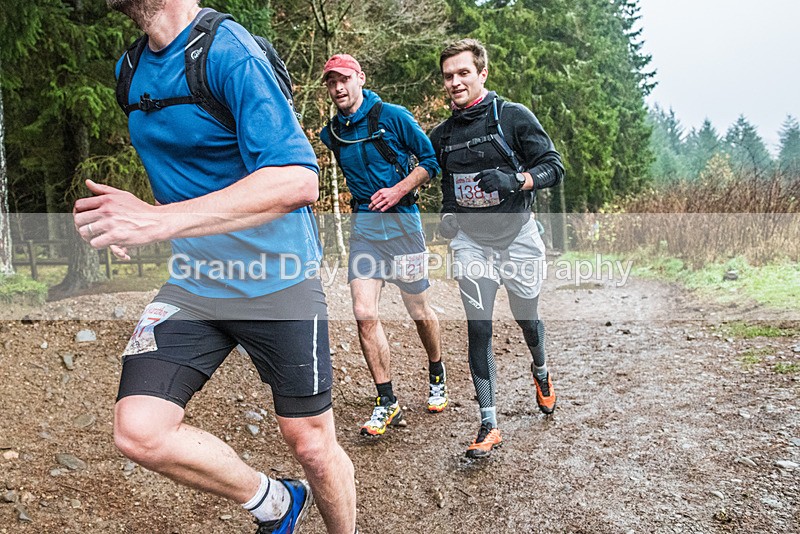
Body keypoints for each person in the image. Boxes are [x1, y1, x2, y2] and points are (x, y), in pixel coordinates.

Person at [74, 1, 356, 532]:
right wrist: (123, 221)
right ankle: (276, 503)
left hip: (277, 282)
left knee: (312, 445)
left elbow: (298, 180)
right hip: (195, 284)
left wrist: (156, 221)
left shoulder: (231, 53)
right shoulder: (130, 71)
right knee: (139, 430)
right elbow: (191, 168)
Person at [429, 39, 565, 459]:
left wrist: (516, 181)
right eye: (448, 76)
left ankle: (541, 370)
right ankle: (488, 422)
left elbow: (554, 167)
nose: (455, 82)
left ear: (482, 73)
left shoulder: (512, 117)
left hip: (518, 237)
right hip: (473, 244)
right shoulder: (443, 136)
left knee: (527, 319)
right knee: (479, 327)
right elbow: (448, 188)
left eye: (463, 73)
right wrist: (448, 217)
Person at [319, 54, 447, 437]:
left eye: (344, 79)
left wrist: (398, 190)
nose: (338, 88)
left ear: (360, 78)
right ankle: (387, 400)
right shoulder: (332, 134)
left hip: (404, 225)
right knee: (363, 313)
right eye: (331, 82)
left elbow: (430, 161)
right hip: (365, 230)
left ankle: (436, 370)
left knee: (418, 309)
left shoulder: (394, 116)